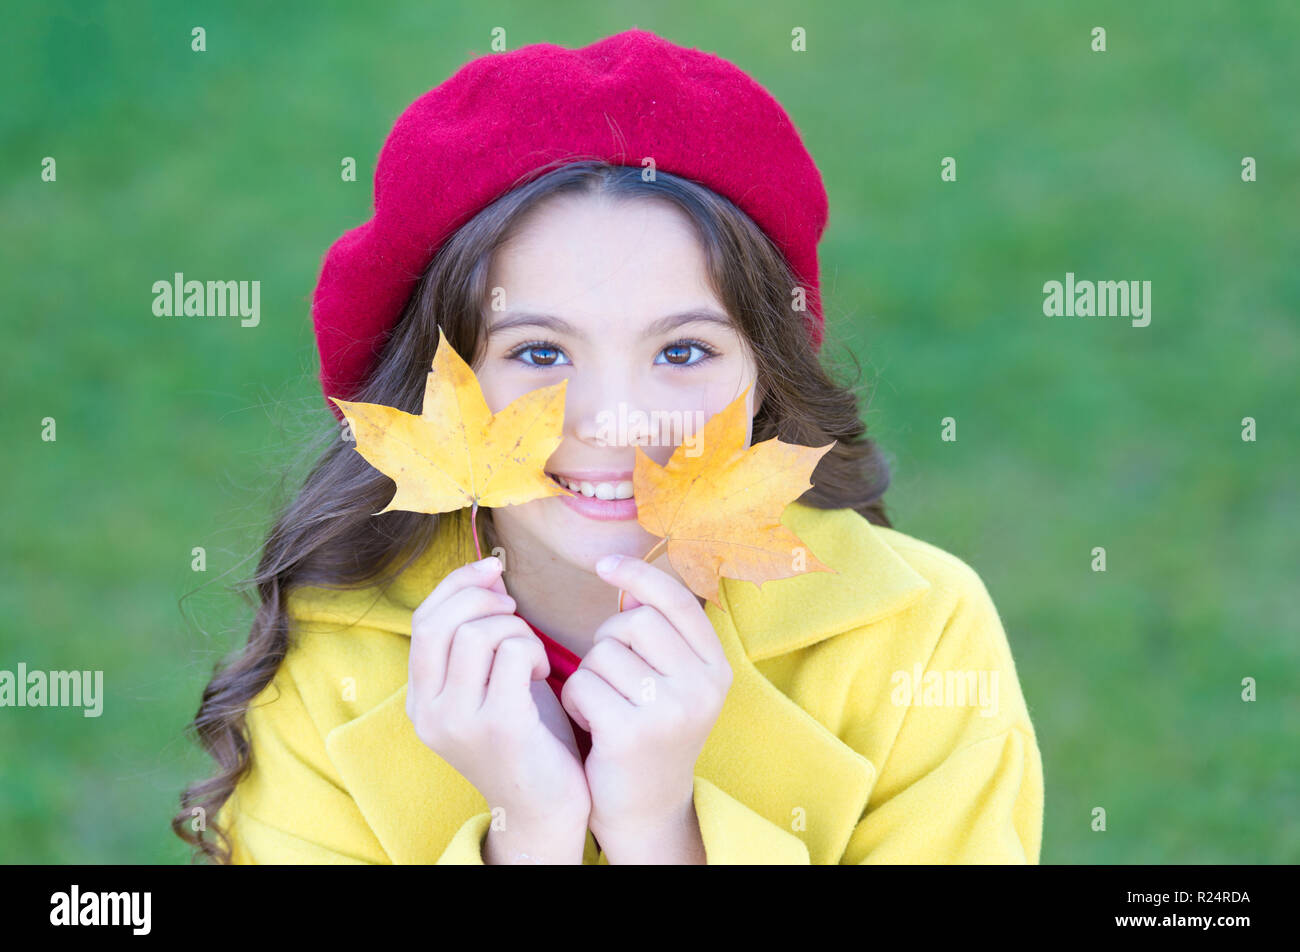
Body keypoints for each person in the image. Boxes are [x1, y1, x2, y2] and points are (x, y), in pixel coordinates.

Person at [174, 28, 1043, 864]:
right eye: (540, 352)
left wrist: (663, 832)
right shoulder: (331, 666)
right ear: (438, 385)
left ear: (766, 376)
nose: (615, 420)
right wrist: (528, 838)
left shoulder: (919, 637)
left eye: (683, 351)